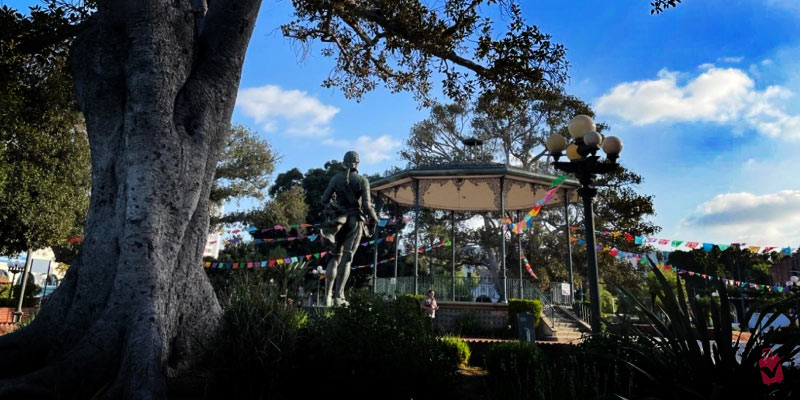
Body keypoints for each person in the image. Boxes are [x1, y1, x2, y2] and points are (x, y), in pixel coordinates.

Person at [319, 151, 379, 307]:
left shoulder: (336, 178)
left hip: (338, 221)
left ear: (344, 162)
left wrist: (335, 205)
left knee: (334, 257)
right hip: (354, 220)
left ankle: (327, 297)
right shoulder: (362, 181)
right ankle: (339, 297)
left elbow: (324, 200)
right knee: (347, 258)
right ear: (357, 163)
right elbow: (366, 206)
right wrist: (375, 219)